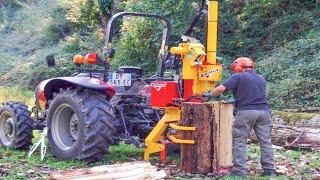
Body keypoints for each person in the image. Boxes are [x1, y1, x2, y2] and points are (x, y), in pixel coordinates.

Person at [204, 57, 276, 177]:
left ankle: (240, 171)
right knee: (265, 142)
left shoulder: (238, 76)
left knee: (239, 141)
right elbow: (252, 93)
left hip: (246, 112)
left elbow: (221, 89)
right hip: (264, 112)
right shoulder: (261, 78)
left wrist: (210, 94)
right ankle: (270, 170)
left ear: (238, 66)